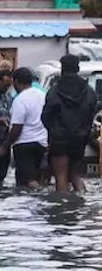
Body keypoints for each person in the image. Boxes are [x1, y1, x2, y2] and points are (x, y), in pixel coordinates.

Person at [41, 54, 99, 193]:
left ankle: (63, 210)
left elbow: (45, 116)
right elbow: (92, 113)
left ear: (62, 69)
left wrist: (53, 130)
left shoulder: (54, 90)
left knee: (61, 177)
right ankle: (82, 203)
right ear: (78, 68)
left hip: (59, 138)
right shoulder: (89, 91)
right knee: (75, 175)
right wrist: (84, 130)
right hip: (80, 138)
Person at [0, 67, 48, 188]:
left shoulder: (20, 99)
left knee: (27, 180)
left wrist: (5, 147)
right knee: (38, 178)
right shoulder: (43, 95)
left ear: (16, 81)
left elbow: (17, 128)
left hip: (24, 145)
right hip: (42, 143)